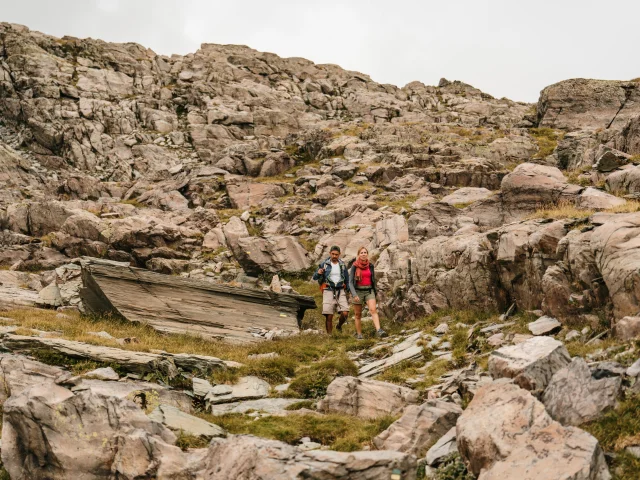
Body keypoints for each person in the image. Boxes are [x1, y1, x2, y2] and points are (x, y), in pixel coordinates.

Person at [349, 246, 387, 339]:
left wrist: (375, 290)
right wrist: (354, 294)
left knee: (373, 310)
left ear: (367, 254)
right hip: (358, 292)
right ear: (358, 255)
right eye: (361, 253)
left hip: (369, 291)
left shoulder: (370, 265)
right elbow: (350, 282)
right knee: (358, 315)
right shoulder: (354, 266)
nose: (363, 254)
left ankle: (379, 330)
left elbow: (373, 278)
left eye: (365, 252)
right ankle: (359, 334)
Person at [312, 245, 350, 334]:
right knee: (329, 315)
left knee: (345, 313)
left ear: (339, 254)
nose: (334, 256)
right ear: (330, 253)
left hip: (340, 290)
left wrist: (349, 290)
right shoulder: (324, 264)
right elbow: (314, 277)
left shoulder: (342, 265)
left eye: (336, 254)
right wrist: (318, 273)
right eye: (332, 254)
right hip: (328, 289)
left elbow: (347, 279)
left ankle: (339, 326)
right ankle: (330, 336)